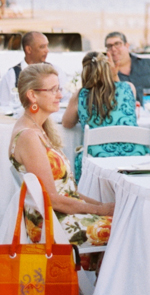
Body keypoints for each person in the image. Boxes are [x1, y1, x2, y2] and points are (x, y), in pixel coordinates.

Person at [9, 64, 114, 255]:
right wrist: (101, 210)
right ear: (32, 95)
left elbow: (68, 193)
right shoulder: (29, 137)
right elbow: (53, 200)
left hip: (58, 217)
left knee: (125, 220)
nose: (60, 95)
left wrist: (103, 207)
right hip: (52, 225)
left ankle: (107, 283)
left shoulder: (38, 130)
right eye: (53, 90)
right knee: (128, 228)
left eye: (59, 88)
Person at [62, 51, 149, 180]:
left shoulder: (80, 95)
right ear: (109, 69)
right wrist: (114, 75)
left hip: (98, 160)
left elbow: (67, 124)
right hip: (133, 158)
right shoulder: (129, 88)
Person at [105, 31, 150, 102]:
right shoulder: (105, 73)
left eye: (117, 44)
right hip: (126, 112)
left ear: (127, 46)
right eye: (109, 46)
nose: (113, 49)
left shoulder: (149, 64)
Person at [0, 31, 50, 105]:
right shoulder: (11, 75)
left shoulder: (55, 71)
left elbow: (65, 100)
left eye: (47, 46)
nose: (47, 50)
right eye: (42, 47)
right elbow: (3, 105)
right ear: (28, 49)